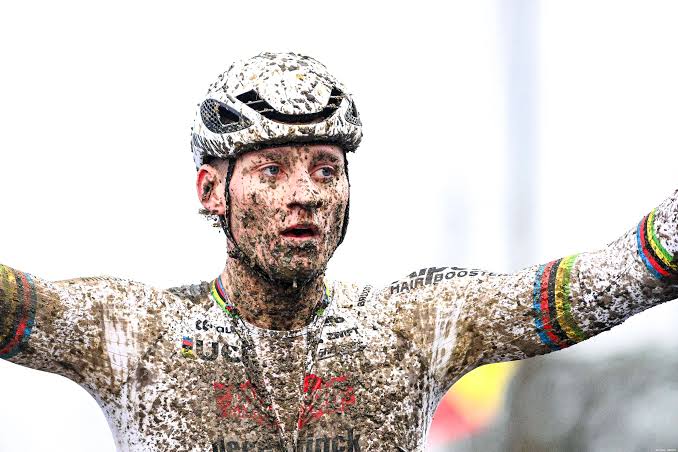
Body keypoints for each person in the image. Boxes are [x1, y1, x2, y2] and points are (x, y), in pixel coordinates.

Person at [0, 51, 676, 452]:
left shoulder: (414, 327)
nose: (304, 195)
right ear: (210, 190)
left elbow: (599, 284)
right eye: (271, 170)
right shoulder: (134, 332)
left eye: (325, 169)